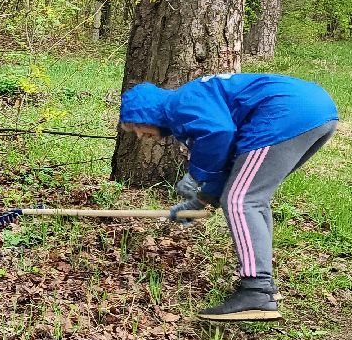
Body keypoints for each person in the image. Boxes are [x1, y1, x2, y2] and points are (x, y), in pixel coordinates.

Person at [118, 73, 338, 323]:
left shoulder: (180, 104)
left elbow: (218, 134)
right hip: (314, 112)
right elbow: (228, 159)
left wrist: (195, 175)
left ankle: (256, 291)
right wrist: (201, 200)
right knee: (252, 197)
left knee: (241, 200)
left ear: (146, 112)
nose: (138, 135)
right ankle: (263, 287)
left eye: (135, 126)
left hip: (286, 113)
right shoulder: (186, 108)